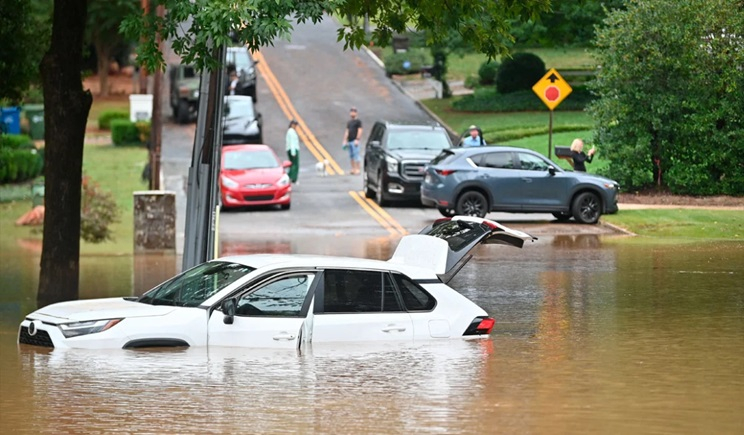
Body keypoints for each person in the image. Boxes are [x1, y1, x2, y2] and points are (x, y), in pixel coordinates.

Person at [342, 107, 363, 175]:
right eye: (351, 112)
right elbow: (347, 131)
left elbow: (360, 130)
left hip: (355, 141)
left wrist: (357, 139)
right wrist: (345, 140)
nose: (352, 113)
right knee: (351, 156)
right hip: (349, 141)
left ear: (356, 113)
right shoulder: (349, 122)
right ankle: (353, 169)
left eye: (354, 112)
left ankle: (358, 169)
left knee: (356, 155)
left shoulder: (358, 122)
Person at [285, 120, 300, 184]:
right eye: (295, 125)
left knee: (292, 164)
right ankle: (293, 178)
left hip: (290, 149)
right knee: (295, 165)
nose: (295, 126)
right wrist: (293, 152)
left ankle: (290, 176)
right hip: (293, 149)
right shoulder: (291, 132)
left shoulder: (290, 131)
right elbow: (292, 142)